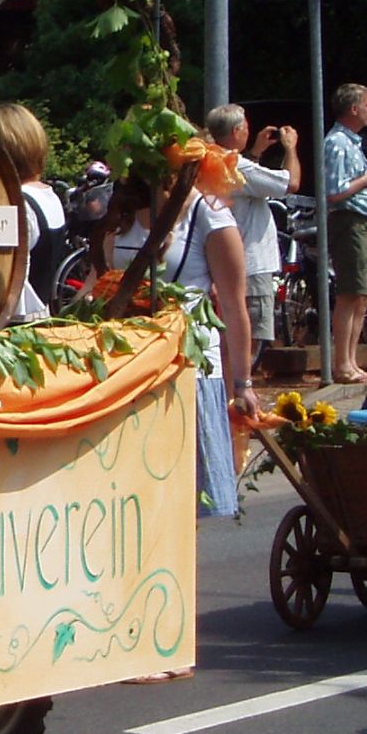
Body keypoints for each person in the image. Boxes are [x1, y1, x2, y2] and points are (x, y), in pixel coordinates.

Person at [108, 179, 261, 522]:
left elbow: (235, 306)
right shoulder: (123, 209)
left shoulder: (207, 214)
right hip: (127, 371)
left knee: (183, 507)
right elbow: (99, 281)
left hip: (188, 368)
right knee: (131, 507)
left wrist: (242, 384)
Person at [205, 103, 300, 372]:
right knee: (246, 338)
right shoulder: (237, 165)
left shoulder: (213, 161)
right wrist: (291, 147)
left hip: (223, 263)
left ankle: (232, 394)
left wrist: (256, 152)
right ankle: (239, 396)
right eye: (245, 126)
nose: (249, 129)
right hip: (251, 262)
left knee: (227, 336)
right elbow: (290, 183)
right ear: (236, 130)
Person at [322, 82, 367, 383]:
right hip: (349, 222)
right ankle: (342, 365)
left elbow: (352, 179)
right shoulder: (336, 142)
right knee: (350, 293)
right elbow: (334, 192)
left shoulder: (352, 143)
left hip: (364, 224)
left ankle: (351, 362)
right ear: (353, 108)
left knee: (363, 294)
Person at [0, 102, 64, 319]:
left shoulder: (20, 206)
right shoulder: (49, 196)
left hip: (16, 325)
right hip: (41, 316)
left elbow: (13, 282)